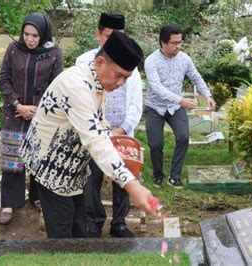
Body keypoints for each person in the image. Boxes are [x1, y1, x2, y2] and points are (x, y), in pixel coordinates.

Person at [20, 31, 157, 238]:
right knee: (63, 238)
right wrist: (132, 186)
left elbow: (98, 122)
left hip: (74, 168)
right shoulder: (77, 85)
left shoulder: (97, 81)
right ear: (101, 61)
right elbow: (95, 140)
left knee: (80, 231)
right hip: (51, 167)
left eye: (126, 78)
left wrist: (115, 142)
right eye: (119, 75)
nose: (121, 84)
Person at [75, 13, 143, 238]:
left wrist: (121, 129)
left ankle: (120, 223)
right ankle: (94, 220)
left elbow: (136, 103)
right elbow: (81, 101)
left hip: (122, 132)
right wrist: (101, 131)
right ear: (98, 34)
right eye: (109, 36)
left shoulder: (129, 63)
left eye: (120, 36)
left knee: (123, 176)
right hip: (94, 132)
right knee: (92, 177)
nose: (116, 42)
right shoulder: (84, 61)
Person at [0, 13, 63, 225]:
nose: (30, 39)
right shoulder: (13, 49)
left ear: (43, 34)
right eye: (26, 34)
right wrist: (18, 105)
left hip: (41, 117)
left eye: (35, 35)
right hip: (14, 113)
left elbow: (57, 86)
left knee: (40, 158)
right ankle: (9, 203)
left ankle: (37, 197)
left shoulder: (53, 53)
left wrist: (38, 110)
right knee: (12, 159)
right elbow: (3, 79)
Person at [144, 25, 216, 189]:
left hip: (175, 108)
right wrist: (181, 100)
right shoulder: (151, 61)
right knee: (156, 144)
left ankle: (174, 176)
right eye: (174, 43)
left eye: (180, 42)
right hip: (154, 107)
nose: (178, 46)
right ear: (163, 43)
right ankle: (158, 175)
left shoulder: (184, 59)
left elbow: (196, 78)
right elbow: (157, 88)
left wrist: (208, 95)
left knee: (183, 137)